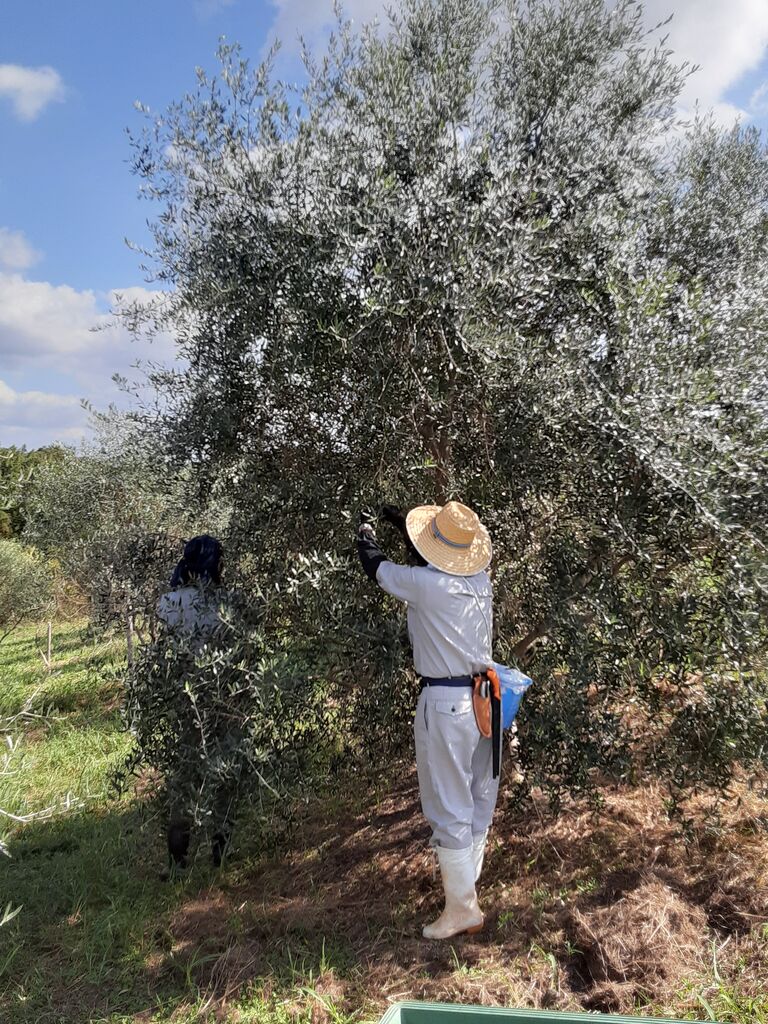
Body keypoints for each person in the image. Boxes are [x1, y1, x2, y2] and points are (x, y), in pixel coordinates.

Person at [357, 500, 497, 940]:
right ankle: (467, 892)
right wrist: (403, 523)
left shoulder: (425, 585)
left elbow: (377, 568)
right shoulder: (479, 580)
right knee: (476, 800)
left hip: (447, 705)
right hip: (485, 699)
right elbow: (429, 561)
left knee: (448, 805)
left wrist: (365, 534)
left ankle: (461, 910)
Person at [156, 534, 233, 873]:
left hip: (186, 699)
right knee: (224, 772)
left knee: (184, 776)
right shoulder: (229, 603)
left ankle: (178, 858)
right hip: (222, 697)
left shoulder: (168, 603)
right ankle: (221, 851)